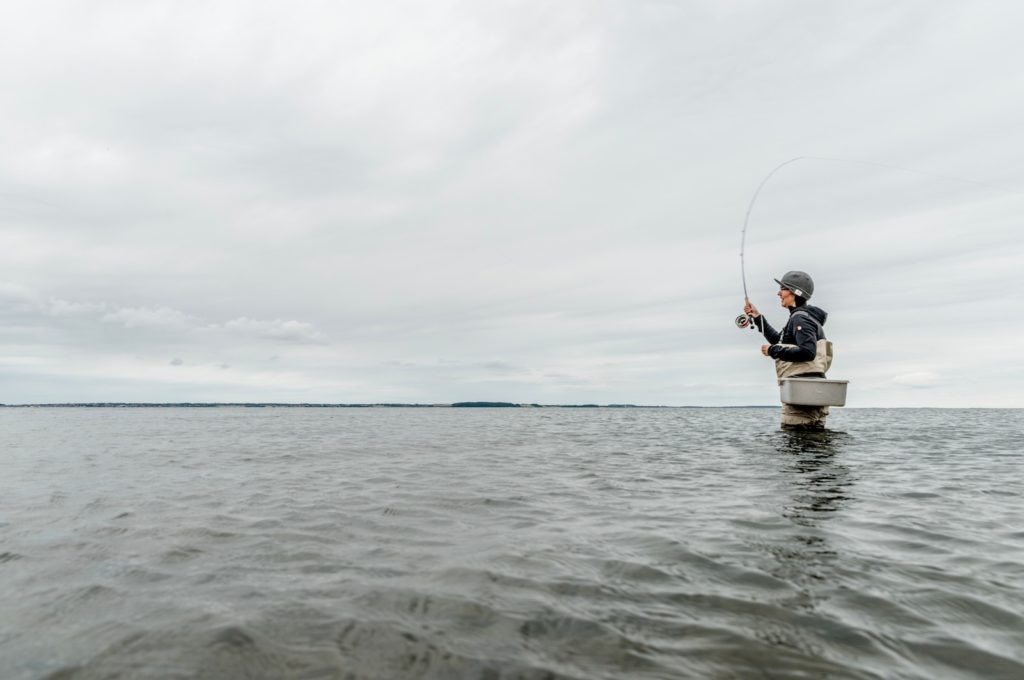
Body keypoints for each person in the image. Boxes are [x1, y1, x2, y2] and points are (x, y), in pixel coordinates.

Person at [743, 271, 832, 430]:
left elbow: (807, 352)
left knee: (796, 450)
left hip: (801, 396)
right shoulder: (803, 317)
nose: (778, 293)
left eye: (782, 288)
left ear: (795, 292)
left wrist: (773, 350)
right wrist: (757, 317)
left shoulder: (800, 318)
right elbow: (780, 341)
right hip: (811, 393)